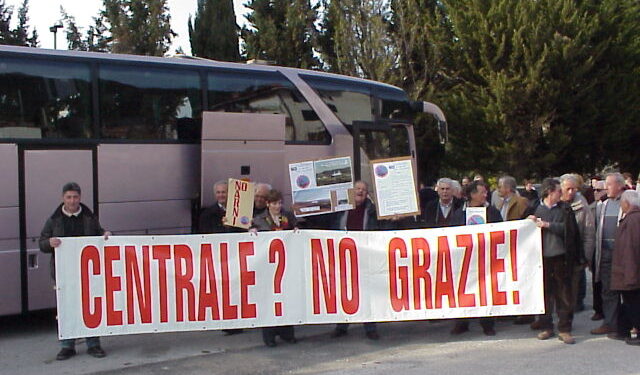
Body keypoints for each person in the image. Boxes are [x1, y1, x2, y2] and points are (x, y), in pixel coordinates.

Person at [39, 182, 111, 360]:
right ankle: (67, 346)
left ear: (80, 198)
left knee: (90, 307)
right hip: (63, 273)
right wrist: (49, 243)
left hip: (87, 272)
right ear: (63, 198)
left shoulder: (89, 218)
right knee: (67, 309)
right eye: (69, 197)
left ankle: (93, 344)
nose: (72, 201)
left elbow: (100, 234)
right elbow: (42, 242)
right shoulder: (54, 220)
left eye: (75, 197)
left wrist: (106, 235)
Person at [526, 178, 583, 344]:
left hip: (561, 258)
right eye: (559, 191)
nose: (562, 194)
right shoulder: (534, 208)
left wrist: (547, 225)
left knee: (563, 295)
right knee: (544, 294)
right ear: (550, 192)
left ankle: (564, 328)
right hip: (540, 259)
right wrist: (527, 222)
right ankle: (546, 326)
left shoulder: (565, 209)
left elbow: (570, 231)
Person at [330, 180, 381, 340]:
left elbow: (381, 228)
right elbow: (329, 225)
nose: (360, 191)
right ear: (351, 191)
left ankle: (370, 327)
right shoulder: (340, 208)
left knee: (367, 292)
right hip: (344, 254)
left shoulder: (373, 210)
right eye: (357, 188)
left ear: (367, 194)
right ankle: (342, 325)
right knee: (344, 291)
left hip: (365, 255)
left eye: (364, 190)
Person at [450, 180, 501, 336]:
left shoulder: (492, 212)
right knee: (463, 290)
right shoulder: (459, 213)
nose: (486, 195)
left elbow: (501, 230)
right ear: (472, 195)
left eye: (486, 192)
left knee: (486, 290)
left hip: (486, 258)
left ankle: (487, 323)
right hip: (465, 259)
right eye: (482, 192)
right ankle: (462, 322)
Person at [250, 189, 298, 347]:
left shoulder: (288, 216)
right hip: (268, 265)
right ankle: (269, 336)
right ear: (268, 204)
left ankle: (287, 333)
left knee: (286, 299)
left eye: (279, 203)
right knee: (269, 300)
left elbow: (296, 228)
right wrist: (252, 231)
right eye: (274, 203)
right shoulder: (259, 219)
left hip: (286, 263)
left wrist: (296, 231)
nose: (278, 206)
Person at [198, 180, 244, 335]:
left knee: (237, 291)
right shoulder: (207, 213)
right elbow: (203, 234)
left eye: (223, 192)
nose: (221, 195)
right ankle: (227, 323)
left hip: (236, 257)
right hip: (218, 258)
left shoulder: (239, 210)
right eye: (218, 192)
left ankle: (238, 322)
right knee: (222, 292)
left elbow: (243, 231)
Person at [591, 172, 625, 336]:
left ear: (619, 185)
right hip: (604, 255)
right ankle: (610, 322)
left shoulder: (628, 203)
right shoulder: (602, 206)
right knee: (607, 290)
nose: (606, 188)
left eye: (609, 184)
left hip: (622, 256)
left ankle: (626, 323)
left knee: (626, 290)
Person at [559, 174, 594, 312]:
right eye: (568, 189)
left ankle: (573, 308)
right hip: (558, 252)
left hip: (575, 252)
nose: (571, 192)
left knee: (575, 284)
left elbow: (589, 232)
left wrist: (587, 256)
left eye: (574, 189)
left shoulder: (582, 204)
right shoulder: (555, 204)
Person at [610, 190, 640, 344]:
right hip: (630, 271)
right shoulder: (633, 218)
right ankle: (623, 330)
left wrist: (630, 276)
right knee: (629, 303)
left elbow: (630, 250)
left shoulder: (632, 220)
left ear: (627, 203)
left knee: (633, 303)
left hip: (629, 272)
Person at [588, 180, 607, 321]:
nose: (595, 192)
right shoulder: (591, 208)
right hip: (596, 249)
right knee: (596, 281)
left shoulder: (614, 206)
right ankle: (598, 309)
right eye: (594, 190)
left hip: (607, 248)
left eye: (599, 190)